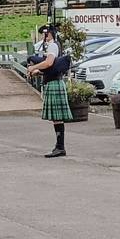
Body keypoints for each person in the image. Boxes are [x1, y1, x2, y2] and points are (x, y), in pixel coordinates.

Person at [26, 24, 73, 158]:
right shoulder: (56, 45)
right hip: (54, 82)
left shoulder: (53, 46)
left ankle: (60, 147)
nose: (43, 37)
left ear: (49, 34)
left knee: (57, 118)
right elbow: (50, 68)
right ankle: (59, 146)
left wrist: (32, 67)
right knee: (56, 118)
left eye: (44, 34)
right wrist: (37, 72)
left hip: (54, 84)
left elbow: (49, 63)